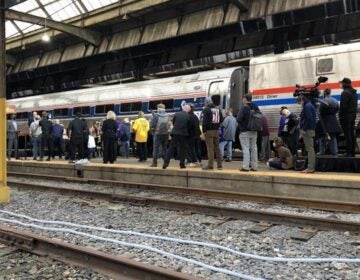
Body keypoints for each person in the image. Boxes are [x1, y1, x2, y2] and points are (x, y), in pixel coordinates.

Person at [236, 94, 260, 172]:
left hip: (245, 131)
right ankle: (254, 167)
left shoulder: (244, 108)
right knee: (254, 148)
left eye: (243, 99)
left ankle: (245, 167)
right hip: (254, 130)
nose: (242, 100)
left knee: (246, 149)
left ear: (245, 99)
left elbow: (238, 119)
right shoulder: (256, 107)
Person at [163, 105, 191, 169]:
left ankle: (165, 163)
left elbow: (174, 122)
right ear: (188, 110)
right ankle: (182, 164)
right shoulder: (188, 116)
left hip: (175, 133)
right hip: (183, 134)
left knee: (171, 148)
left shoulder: (176, 114)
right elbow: (188, 126)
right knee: (183, 149)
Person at [317, 88, 342, 156]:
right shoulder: (335, 100)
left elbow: (320, 112)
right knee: (333, 136)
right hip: (333, 120)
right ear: (330, 93)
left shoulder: (323, 101)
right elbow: (337, 109)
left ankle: (322, 151)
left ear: (324, 93)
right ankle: (334, 151)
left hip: (324, 120)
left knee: (321, 136)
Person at [202, 97, 223, 170]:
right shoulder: (218, 109)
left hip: (209, 131)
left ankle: (210, 165)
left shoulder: (206, 109)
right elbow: (221, 120)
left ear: (206, 103)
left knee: (210, 148)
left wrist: (204, 131)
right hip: (216, 131)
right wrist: (217, 126)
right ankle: (219, 165)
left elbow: (204, 122)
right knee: (217, 148)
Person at [339, 78, 358, 157]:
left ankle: (348, 153)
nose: (340, 85)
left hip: (346, 116)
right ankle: (352, 152)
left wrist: (340, 115)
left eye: (341, 83)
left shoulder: (345, 93)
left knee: (347, 135)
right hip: (353, 116)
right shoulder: (354, 93)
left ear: (344, 84)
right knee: (351, 134)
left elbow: (343, 106)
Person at [299, 96, 317, 173]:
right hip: (310, 129)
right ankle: (310, 167)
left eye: (300, 102)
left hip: (307, 130)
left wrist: (304, 128)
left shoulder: (307, 106)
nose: (300, 104)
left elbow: (309, 119)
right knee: (310, 149)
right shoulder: (310, 105)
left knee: (309, 149)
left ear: (302, 100)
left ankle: (310, 168)